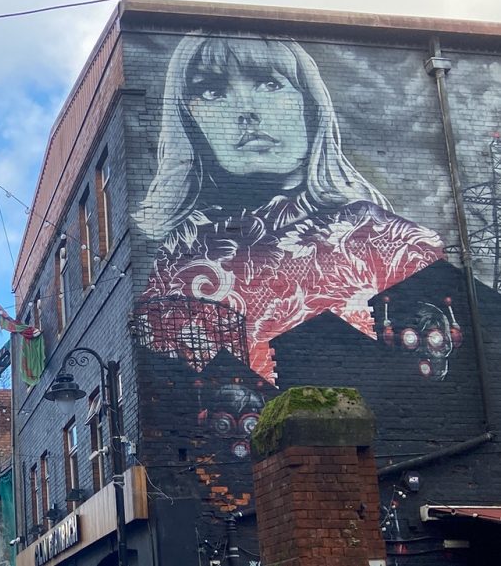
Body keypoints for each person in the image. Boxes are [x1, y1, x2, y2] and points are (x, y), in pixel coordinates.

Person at [134, 32, 443, 379]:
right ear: (189, 121)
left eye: (268, 83)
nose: (245, 111)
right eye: (212, 91)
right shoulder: (178, 260)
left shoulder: (387, 241)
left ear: (310, 105)